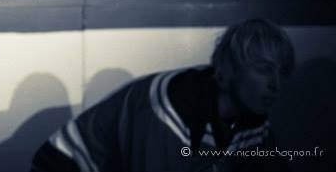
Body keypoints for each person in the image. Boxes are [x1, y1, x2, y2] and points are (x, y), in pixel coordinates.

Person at [31, 18, 295, 172]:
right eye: (263, 69)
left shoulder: (253, 117)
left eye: (282, 72)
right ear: (230, 68)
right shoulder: (172, 109)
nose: (276, 85)